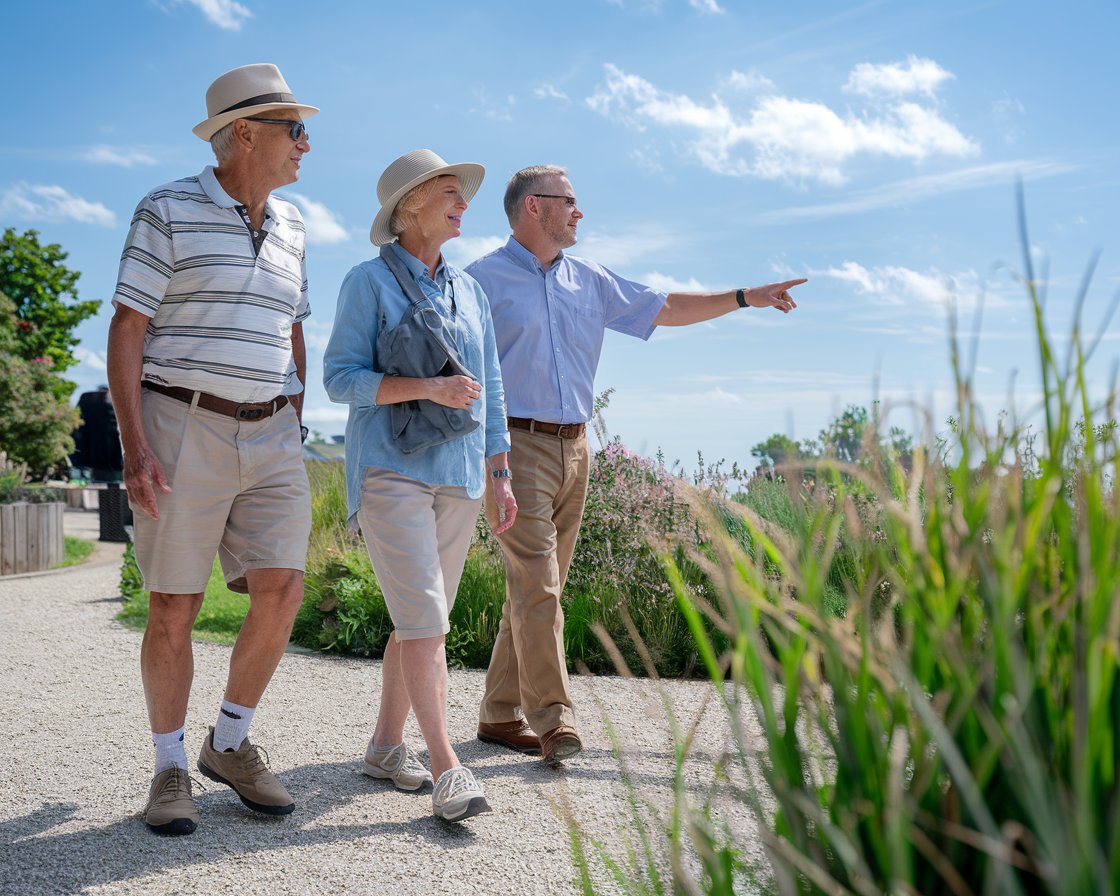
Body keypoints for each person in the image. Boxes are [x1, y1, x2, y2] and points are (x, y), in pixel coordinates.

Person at [466, 165, 804, 762]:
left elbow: (666, 307)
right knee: (539, 586)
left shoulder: (589, 280)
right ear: (532, 209)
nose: (579, 212)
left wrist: (746, 297)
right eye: (569, 201)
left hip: (577, 448)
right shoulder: (479, 282)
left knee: (538, 588)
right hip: (514, 448)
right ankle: (554, 719)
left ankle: (498, 713)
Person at [106, 63, 317, 836]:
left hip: (273, 430)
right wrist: (134, 446)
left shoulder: (295, 224)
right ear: (243, 133)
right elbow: (128, 327)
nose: (306, 145)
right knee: (175, 604)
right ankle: (167, 768)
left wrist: (296, 411)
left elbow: (295, 322)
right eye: (295, 130)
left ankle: (228, 744)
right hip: (181, 422)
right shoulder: (166, 208)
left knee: (283, 587)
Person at [323, 149, 517, 823]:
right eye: (449, 193)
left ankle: (384, 748)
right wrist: (427, 387)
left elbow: (490, 385)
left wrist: (500, 472)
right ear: (410, 207)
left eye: (463, 194)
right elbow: (339, 378)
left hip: (461, 476)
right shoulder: (365, 284)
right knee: (427, 621)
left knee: (418, 622)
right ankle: (446, 768)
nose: (464, 202)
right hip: (391, 472)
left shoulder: (470, 291)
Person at [71, 385, 123, 482]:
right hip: (107, 463)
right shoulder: (110, 403)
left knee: (109, 487)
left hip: (100, 463)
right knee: (111, 488)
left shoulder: (87, 400)